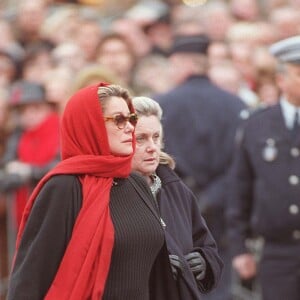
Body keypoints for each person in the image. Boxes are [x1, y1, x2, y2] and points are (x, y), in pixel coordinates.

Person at [7, 83, 170, 299]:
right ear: (90, 125)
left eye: (131, 118)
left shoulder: (136, 183)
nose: (131, 127)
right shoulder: (64, 186)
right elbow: (32, 276)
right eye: (119, 120)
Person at [154, 33, 246, 300]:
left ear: (185, 63)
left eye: (173, 64)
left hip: (175, 210)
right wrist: (212, 197)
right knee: (219, 283)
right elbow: (240, 168)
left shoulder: (163, 104)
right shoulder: (235, 105)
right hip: (224, 209)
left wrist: (190, 198)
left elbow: (157, 160)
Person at [227, 35, 300, 300]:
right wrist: (239, 246)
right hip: (276, 252)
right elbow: (240, 187)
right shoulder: (257, 124)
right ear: (281, 80)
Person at [131, 96, 223, 299]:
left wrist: (204, 261)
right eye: (141, 139)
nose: (152, 146)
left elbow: (206, 243)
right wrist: (153, 269)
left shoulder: (176, 189)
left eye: (156, 137)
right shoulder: (112, 192)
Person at [0, 80, 60, 230]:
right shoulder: (19, 134)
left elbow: (61, 165)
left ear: (47, 107)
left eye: (35, 108)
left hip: (53, 208)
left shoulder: (61, 129)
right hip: (23, 212)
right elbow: (7, 164)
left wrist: (29, 171)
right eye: (23, 110)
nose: (29, 115)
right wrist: (10, 173)